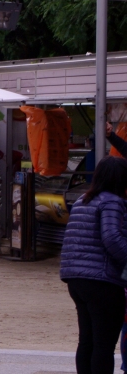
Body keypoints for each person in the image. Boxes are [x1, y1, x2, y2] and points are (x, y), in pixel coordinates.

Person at [61, 155, 127, 374]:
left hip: (76, 279)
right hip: (102, 280)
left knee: (87, 341)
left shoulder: (83, 200)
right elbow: (112, 238)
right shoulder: (112, 201)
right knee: (103, 345)